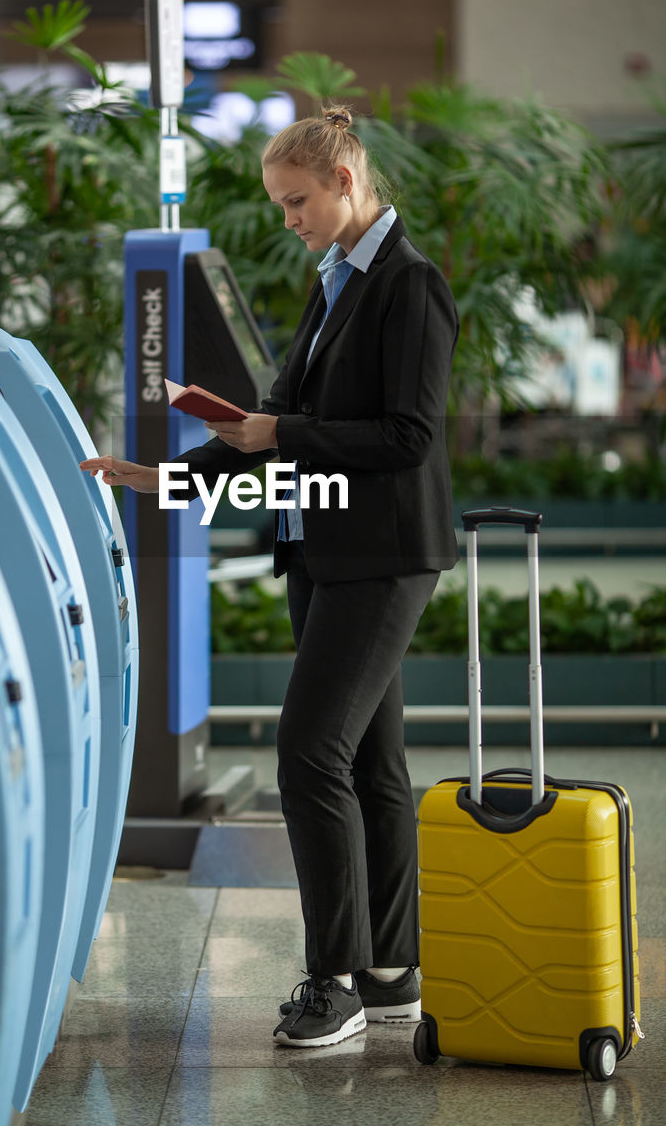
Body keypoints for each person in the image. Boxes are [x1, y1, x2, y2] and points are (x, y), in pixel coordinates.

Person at [81, 106, 459, 1049]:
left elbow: (407, 437)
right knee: (370, 765)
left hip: (381, 554)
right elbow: (273, 415)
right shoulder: (334, 282)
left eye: (296, 202)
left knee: (307, 753)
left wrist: (279, 435)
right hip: (325, 548)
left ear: (343, 181)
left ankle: (330, 978)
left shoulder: (409, 286)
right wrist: (165, 478)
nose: (288, 220)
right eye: (279, 204)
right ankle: (391, 971)